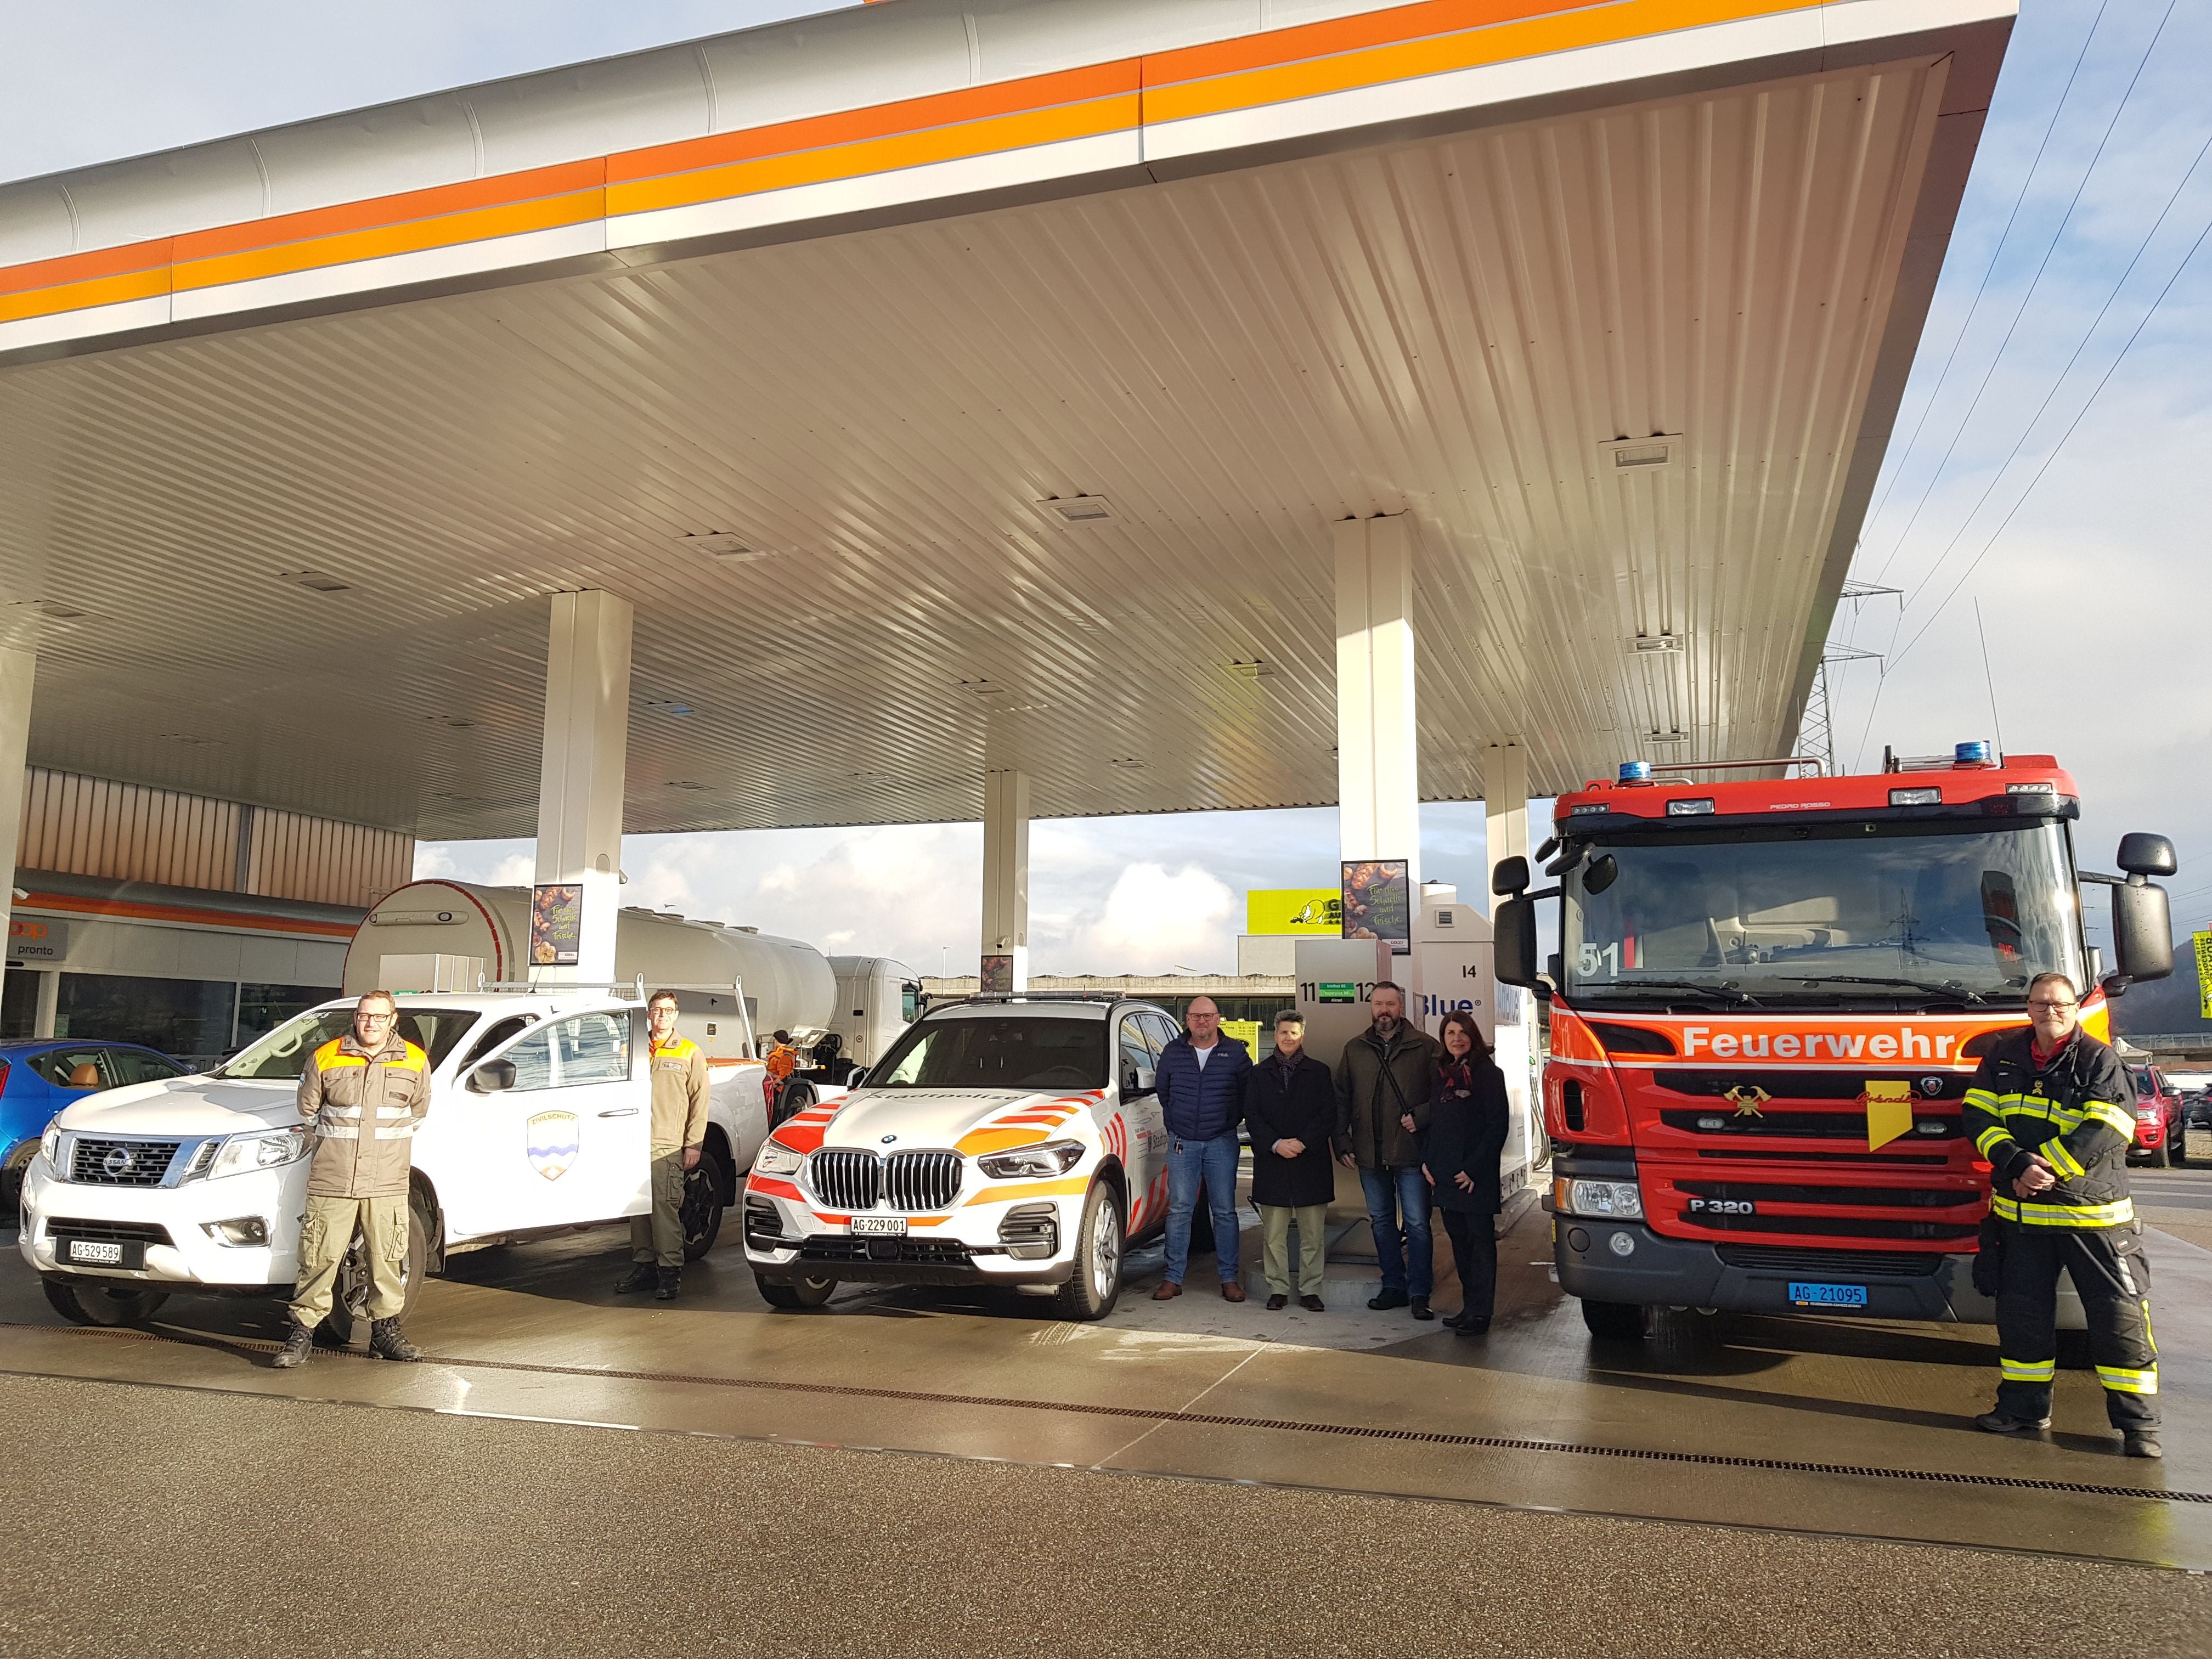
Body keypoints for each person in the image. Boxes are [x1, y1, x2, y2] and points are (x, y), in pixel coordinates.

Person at [1967, 970, 2160, 1458]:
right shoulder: (2003, 1057)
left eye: (2058, 1005)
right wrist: (2015, 1162)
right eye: (2039, 1005)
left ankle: (2139, 1428)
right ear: (2028, 1008)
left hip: (2092, 1219)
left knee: (2119, 1321)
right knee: (2021, 1319)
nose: (2048, 1013)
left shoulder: (2101, 1060)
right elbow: (1977, 1115)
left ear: (2075, 1009)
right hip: (2023, 1220)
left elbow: (2110, 1127)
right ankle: (2023, 1409)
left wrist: (2043, 1169)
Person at [273, 991, 430, 1367]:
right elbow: (308, 1114)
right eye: (364, 1016)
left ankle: (385, 1333)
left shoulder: (414, 1060)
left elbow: (419, 1113)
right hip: (334, 1179)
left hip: (387, 1182)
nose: (370, 1023)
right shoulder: (326, 1057)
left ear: (393, 1019)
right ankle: (301, 1334)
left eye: (379, 1017)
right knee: (318, 1257)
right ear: (356, 1018)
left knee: (387, 1259)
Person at [1335, 981, 1441, 1318]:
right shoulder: (1355, 1049)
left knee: (1418, 1224)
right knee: (1381, 1222)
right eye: (1378, 1004)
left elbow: (1444, 1095)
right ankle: (1393, 1285)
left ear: (1401, 1007)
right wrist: (1341, 1141)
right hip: (1369, 1153)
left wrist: (1422, 1117)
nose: (1384, 1010)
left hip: (1411, 1151)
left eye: (1390, 1004)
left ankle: (1420, 1290)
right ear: (1371, 1007)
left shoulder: (1426, 1047)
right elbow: (1341, 1099)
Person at [1152, 995, 1253, 1301]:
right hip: (1183, 1141)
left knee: (1224, 1211)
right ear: (1187, 1020)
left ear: (1218, 1018)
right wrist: (1177, 1122)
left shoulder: (1235, 1053)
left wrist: (1228, 1121)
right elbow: (1163, 1092)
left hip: (1222, 1140)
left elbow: (1247, 1094)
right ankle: (1173, 1278)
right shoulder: (1172, 1052)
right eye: (1196, 1016)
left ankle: (1229, 1279)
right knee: (1180, 1210)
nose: (1202, 1022)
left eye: (1208, 1016)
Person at [617, 991, 710, 1301]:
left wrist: (693, 1144)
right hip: (633, 1141)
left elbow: (700, 1102)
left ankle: (670, 1271)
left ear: (677, 1014)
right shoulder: (633, 1049)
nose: (662, 1016)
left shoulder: (689, 1052)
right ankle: (644, 1266)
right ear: (649, 1014)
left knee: (663, 1209)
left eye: (668, 1011)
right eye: (656, 1011)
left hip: (666, 1143)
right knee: (638, 1210)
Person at [1423, 1010, 1511, 1334]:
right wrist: (1427, 1163)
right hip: (1445, 1175)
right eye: (1450, 1033)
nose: (1456, 1038)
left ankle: (1481, 1313)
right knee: (1459, 1244)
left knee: (1480, 1245)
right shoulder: (1441, 1074)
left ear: (1473, 1035)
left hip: (1475, 1178)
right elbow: (1436, 1124)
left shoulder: (1489, 1074)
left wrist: (1474, 1169)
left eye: (1462, 1032)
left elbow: (1497, 1126)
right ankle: (1468, 1307)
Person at [1243, 1011, 1336, 1311]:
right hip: (1273, 1162)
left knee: (1313, 1236)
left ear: (1302, 1036)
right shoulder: (1259, 1074)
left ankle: (1310, 1290)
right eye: (1284, 1032)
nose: (1288, 1038)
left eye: (1294, 1033)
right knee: (1274, 1235)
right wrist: (1275, 1143)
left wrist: (1302, 1142)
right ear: (1276, 1034)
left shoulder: (1319, 1072)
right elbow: (1252, 1115)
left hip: (1311, 1162)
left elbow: (1328, 1114)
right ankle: (1278, 1289)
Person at [763, 1028, 799, 1118]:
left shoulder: (785, 1056)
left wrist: (773, 1085)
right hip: (773, 1087)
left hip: (777, 1090)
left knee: (775, 1113)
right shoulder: (780, 1053)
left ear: (776, 1040)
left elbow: (783, 1076)